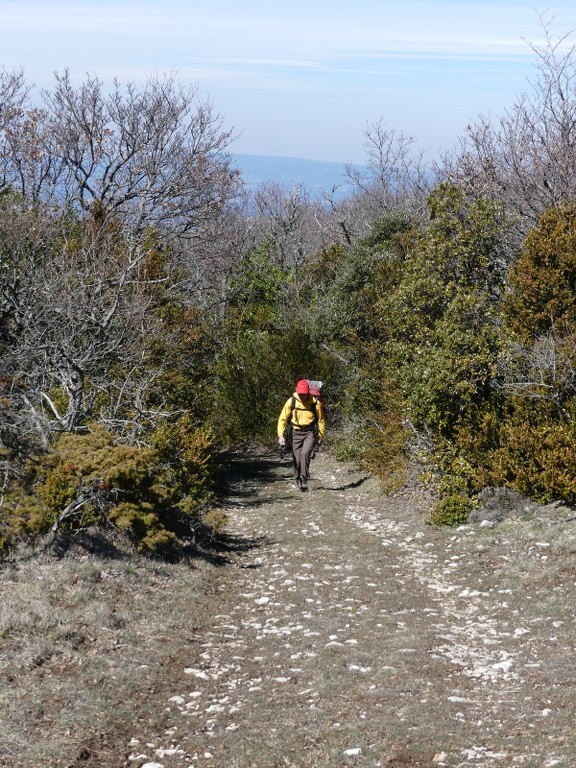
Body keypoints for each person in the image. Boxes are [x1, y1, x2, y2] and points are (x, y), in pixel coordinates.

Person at [277, 379, 326, 492]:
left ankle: (304, 480)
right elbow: (282, 418)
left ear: (308, 391)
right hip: (296, 432)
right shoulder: (291, 401)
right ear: (296, 391)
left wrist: (320, 436)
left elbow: (321, 420)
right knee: (297, 458)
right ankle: (297, 478)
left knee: (305, 454)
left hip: (310, 432)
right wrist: (280, 435)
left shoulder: (315, 402)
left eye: (304, 394)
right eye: (300, 394)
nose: (302, 396)